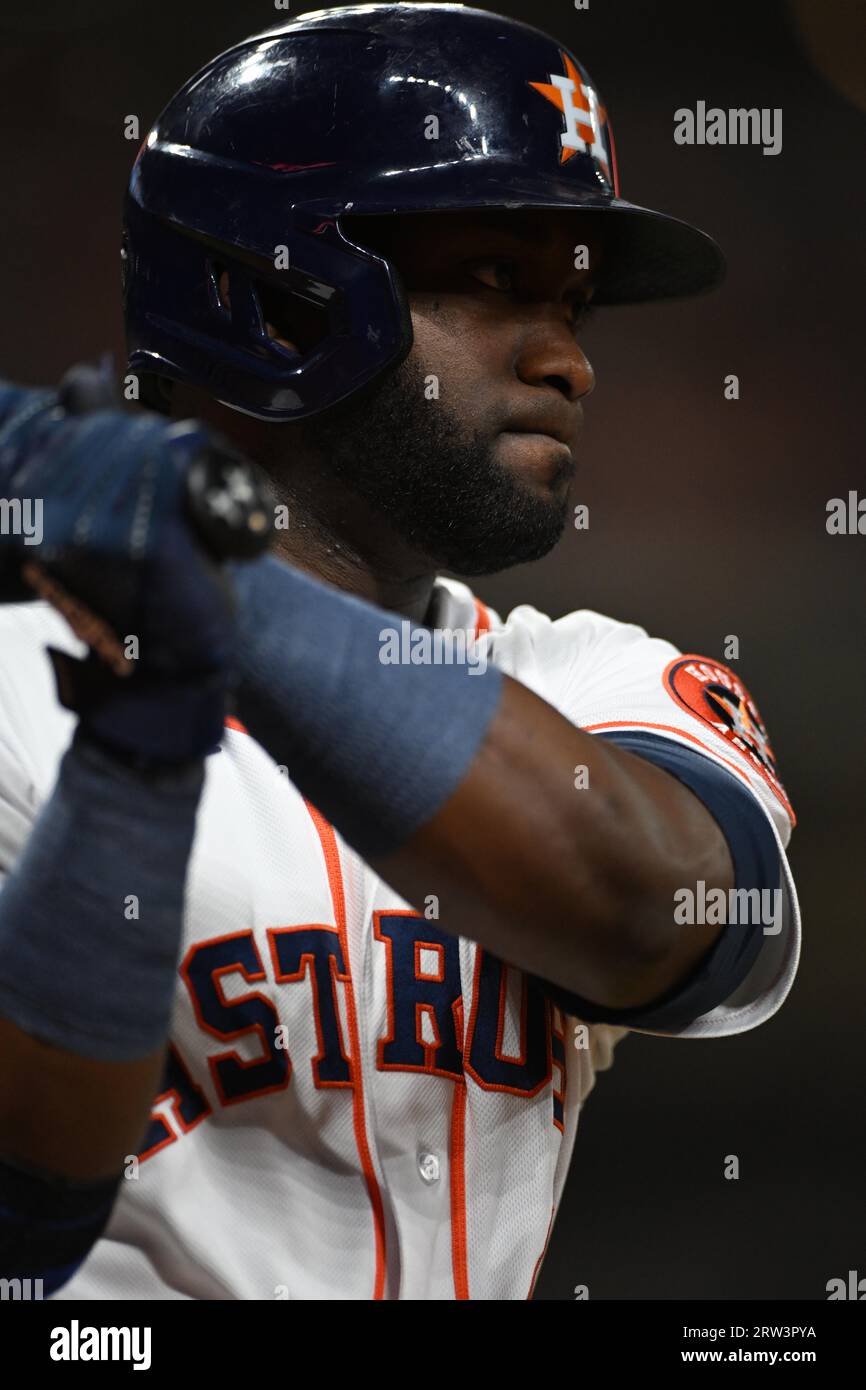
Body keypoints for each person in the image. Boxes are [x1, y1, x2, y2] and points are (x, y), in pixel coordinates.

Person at [0, 4, 799, 1301]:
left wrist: (198, 568)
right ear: (262, 294)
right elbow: (26, 1198)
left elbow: (651, 911)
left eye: (575, 303)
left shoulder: (592, 682)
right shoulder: (12, 699)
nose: (569, 360)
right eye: (492, 277)